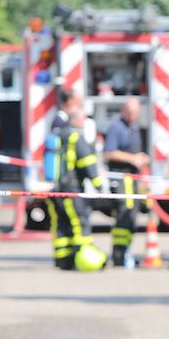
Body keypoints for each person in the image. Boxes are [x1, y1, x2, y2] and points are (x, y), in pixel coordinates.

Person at [49, 106, 107, 271]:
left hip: (56, 189)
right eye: (83, 118)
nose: (84, 121)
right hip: (71, 189)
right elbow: (88, 163)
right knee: (79, 222)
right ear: (75, 120)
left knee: (61, 224)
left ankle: (63, 260)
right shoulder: (76, 137)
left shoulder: (58, 135)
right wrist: (99, 186)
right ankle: (82, 257)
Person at [102, 97, 150, 267]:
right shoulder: (116, 128)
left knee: (131, 217)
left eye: (135, 114)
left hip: (133, 179)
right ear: (123, 110)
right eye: (130, 114)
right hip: (121, 179)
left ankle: (126, 253)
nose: (132, 117)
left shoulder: (134, 127)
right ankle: (119, 255)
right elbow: (108, 153)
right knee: (123, 215)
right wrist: (132, 159)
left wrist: (142, 159)